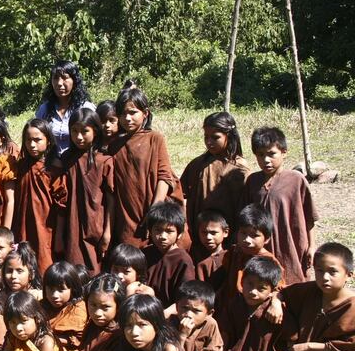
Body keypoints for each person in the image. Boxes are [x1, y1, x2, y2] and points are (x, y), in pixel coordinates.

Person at [107, 87, 180, 248]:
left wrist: (154, 212)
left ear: (145, 113)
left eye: (133, 112)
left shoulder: (155, 139)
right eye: (122, 113)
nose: (127, 118)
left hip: (150, 207)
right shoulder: (115, 145)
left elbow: (164, 176)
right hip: (126, 211)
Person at [244, 126, 318, 286]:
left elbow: (309, 217)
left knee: (294, 280)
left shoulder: (296, 180)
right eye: (260, 155)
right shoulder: (252, 181)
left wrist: (312, 246)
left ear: (284, 152)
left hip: (290, 242)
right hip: (262, 245)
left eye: (271, 154)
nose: (266, 160)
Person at [212, 257, 285, 351]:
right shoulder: (235, 302)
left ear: (272, 291)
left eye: (261, 288)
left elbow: (283, 341)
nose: (253, 291)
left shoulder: (273, 311)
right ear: (242, 282)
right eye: (249, 284)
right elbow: (225, 331)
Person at [283, 242, 355, 351]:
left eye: (332, 272)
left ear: (349, 275)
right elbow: (283, 293)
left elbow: (350, 345)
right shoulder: (309, 291)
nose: (325, 278)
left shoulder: (352, 305)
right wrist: (276, 302)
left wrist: (309, 346)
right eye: (319, 271)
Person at [180, 112, 250, 260]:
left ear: (229, 136)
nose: (209, 142)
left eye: (215, 137)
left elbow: (244, 205)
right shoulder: (198, 164)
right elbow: (181, 193)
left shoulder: (239, 168)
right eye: (206, 137)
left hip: (227, 236)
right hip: (199, 235)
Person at [61, 108, 114, 276]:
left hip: (95, 226)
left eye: (85, 131)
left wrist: (107, 232)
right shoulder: (66, 159)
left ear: (95, 131)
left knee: (95, 274)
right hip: (72, 225)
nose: (79, 137)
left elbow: (111, 200)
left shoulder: (104, 161)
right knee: (74, 272)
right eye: (74, 131)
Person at [13, 118, 67, 275]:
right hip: (22, 224)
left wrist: (59, 236)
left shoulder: (53, 167)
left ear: (48, 141)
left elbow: (61, 202)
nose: (32, 145)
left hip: (46, 225)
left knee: (45, 262)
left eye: (37, 140)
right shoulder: (21, 165)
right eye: (28, 140)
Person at [34, 60, 96, 155]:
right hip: (52, 164)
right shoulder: (45, 109)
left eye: (64, 78)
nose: (59, 83)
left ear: (74, 81)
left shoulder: (85, 108)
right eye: (55, 78)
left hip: (79, 163)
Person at [142, 201, 195, 309]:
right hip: (144, 309)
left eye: (169, 231)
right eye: (157, 230)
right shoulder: (145, 254)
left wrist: (164, 314)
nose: (162, 236)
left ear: (179, 234)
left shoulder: (182, 260)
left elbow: (185, 298)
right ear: (150, 231)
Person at [41, 261, 88, 351]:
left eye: (61, 290)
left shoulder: (77, 307)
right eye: (50, 289)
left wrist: (49, 339)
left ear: (73, 289)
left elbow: (77, 338)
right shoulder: (41, 306)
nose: (55, 295)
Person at [194, 210, 230, 290]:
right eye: (204, 232)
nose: (208, 237)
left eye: (213, 233)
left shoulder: (230, 257)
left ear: (225, 232)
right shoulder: (195, 256)